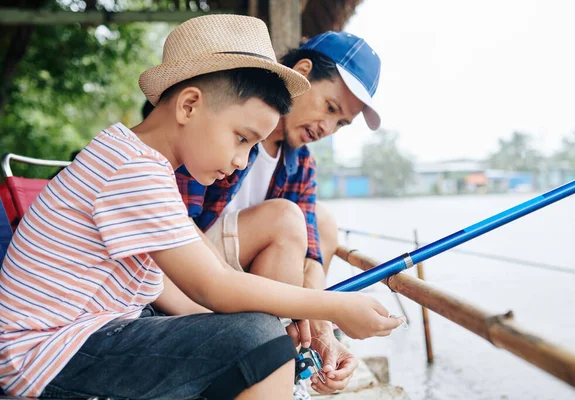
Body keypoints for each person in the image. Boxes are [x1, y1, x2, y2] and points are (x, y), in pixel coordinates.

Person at [0, 15, 400, 399]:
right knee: (258, 342)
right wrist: (339, 306)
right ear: (189, 105)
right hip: (44, 354)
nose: (243, 161)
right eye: (242, 139)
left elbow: (180, 294)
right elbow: (214, 286)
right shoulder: (133, 168)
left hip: (79, 335)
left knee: (256, 334)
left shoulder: (134, 157)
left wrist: (272, 329)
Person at [175, 31, 382, 394]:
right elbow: (177, 220)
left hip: (242, 270)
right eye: (330, 108)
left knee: (320, 221)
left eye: (341, 123)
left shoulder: (300, 161)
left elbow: (312, 255)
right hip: (189, 267)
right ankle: (276, 360)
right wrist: (333, 308)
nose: (327, 129)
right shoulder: (223, 120)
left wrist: (323, 331)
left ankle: (296, 354)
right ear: (301, 73)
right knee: (287, 218)